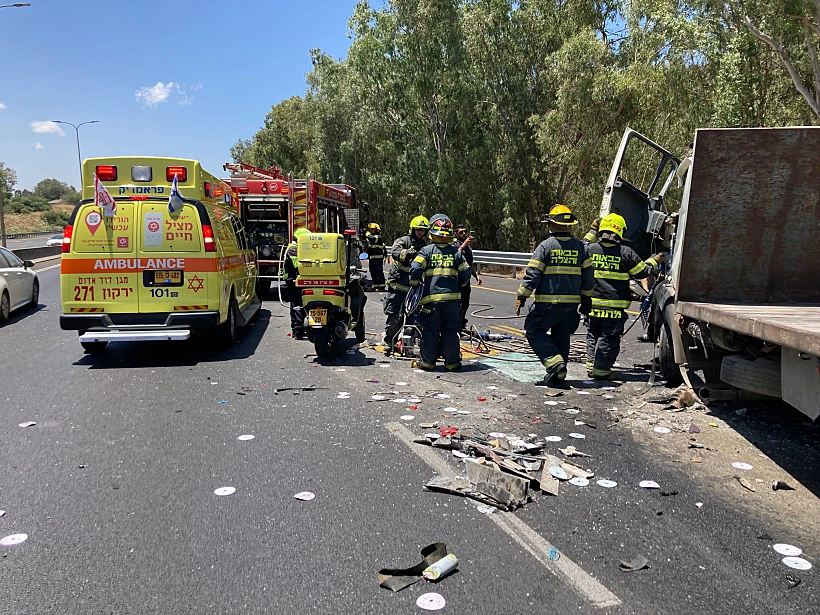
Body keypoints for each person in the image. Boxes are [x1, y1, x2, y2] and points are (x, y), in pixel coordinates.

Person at [515, 204, 594, 386]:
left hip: (548, 305)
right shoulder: (581, 248)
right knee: (562, 336)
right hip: (571, 307)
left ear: (551, 224)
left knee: (534, 330)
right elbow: (589, 277)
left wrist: (522, 295)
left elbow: (533, 274)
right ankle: (559, 373)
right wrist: (587, 299)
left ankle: (554, 363)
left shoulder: (545, 247)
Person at [584, 213, 664, 379]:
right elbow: (643, 271)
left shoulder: (589, 250)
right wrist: (656, 259)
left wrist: (592, 230)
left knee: (593, 335)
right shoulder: (625, 253)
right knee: (609, 338)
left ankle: (592, 367)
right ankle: (601, 371)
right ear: (619, 231)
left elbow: (580, 245)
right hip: (613, 308)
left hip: (591, 306)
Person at [410, 214, 471, 371]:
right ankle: (452, 362)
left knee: (430, 331)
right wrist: (459, 284)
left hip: (432, 302)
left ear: (432, 232)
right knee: (450, 331)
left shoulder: (426, 251)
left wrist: (415, 283)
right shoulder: (456, 253)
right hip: (452, 303)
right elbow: (465, 274)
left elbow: (415, 269)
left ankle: (428, 362)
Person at [383, 215, 430, 353]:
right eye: (418, 229)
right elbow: (395, 251)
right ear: (412, 229)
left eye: (423, 230)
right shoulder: (404, 241)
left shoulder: (426, 247)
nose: (420, 232)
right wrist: (407, 254)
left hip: (414, 290)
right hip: (397, 287)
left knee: (412, 320)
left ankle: (407, 345)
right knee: (395, 318)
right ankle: (389, 342)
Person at [454, 225, 484, 330]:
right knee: (459, 305)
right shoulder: (454, 246)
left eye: (465, 232)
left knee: (465, 303)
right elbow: (455, 256)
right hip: (457, 281)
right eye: (461, 232)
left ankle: (462, 324)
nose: (464, 234)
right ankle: (457, 326)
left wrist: (476, 276)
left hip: (466, 281)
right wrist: (464, 244)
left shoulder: (468, 249)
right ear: (456, 234)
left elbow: (469, 264)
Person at [283, 227, 309, 339]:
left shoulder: (296, 248)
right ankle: (297, 329)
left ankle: (299, 327)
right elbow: (298, 265)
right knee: (297, 304)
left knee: (298, 303)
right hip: (292, 280)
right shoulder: (293, 249)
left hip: (298, 279)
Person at [364, 222, 386, 291]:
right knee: (373, 272)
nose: (371, 230)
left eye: (373, 229)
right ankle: (375, 286)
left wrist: (367, 234)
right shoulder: (372, 238)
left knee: (378, 272)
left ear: (377, 230)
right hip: (372, 259)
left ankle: (381, 286)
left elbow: (372, 238)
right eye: (371, 229)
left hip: (378, 259)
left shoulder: (378, 237)